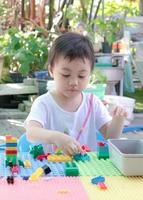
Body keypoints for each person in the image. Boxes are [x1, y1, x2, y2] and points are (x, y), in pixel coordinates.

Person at [25, 32, 127, 155]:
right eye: (66, 75)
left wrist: (118, 119)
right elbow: (31, 132)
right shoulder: (43, 103)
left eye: (81, 76)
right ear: (51, 70)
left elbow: (110, 136)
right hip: (53, 169)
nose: (74, 82)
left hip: (87, 170)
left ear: (90, 73)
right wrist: (56, 137)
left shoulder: (92, 103)